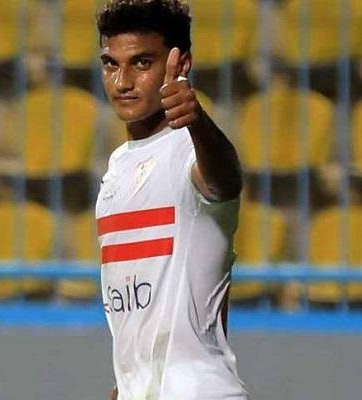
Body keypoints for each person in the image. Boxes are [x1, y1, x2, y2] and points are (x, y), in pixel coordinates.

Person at [94, 1, 248, 399]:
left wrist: (197, 120)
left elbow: (224, 182)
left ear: (181, 64)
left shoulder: (190, 151)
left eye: (142, 63)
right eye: (111, 64)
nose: (122, 82)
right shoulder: (116, 170)